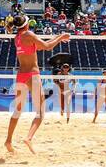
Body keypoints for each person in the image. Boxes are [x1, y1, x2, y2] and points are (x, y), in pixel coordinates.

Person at [4, 14, 69, 153]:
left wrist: (58, 37)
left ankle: (8, 141)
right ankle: (28, 138)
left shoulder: (17, 38)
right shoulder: (29, 34)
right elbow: (47, 46)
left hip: (21, 75)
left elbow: (37, 47)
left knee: (18, 110)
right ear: (27, 24)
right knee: (40, 112)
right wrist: (61, 37)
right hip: (33, 75)